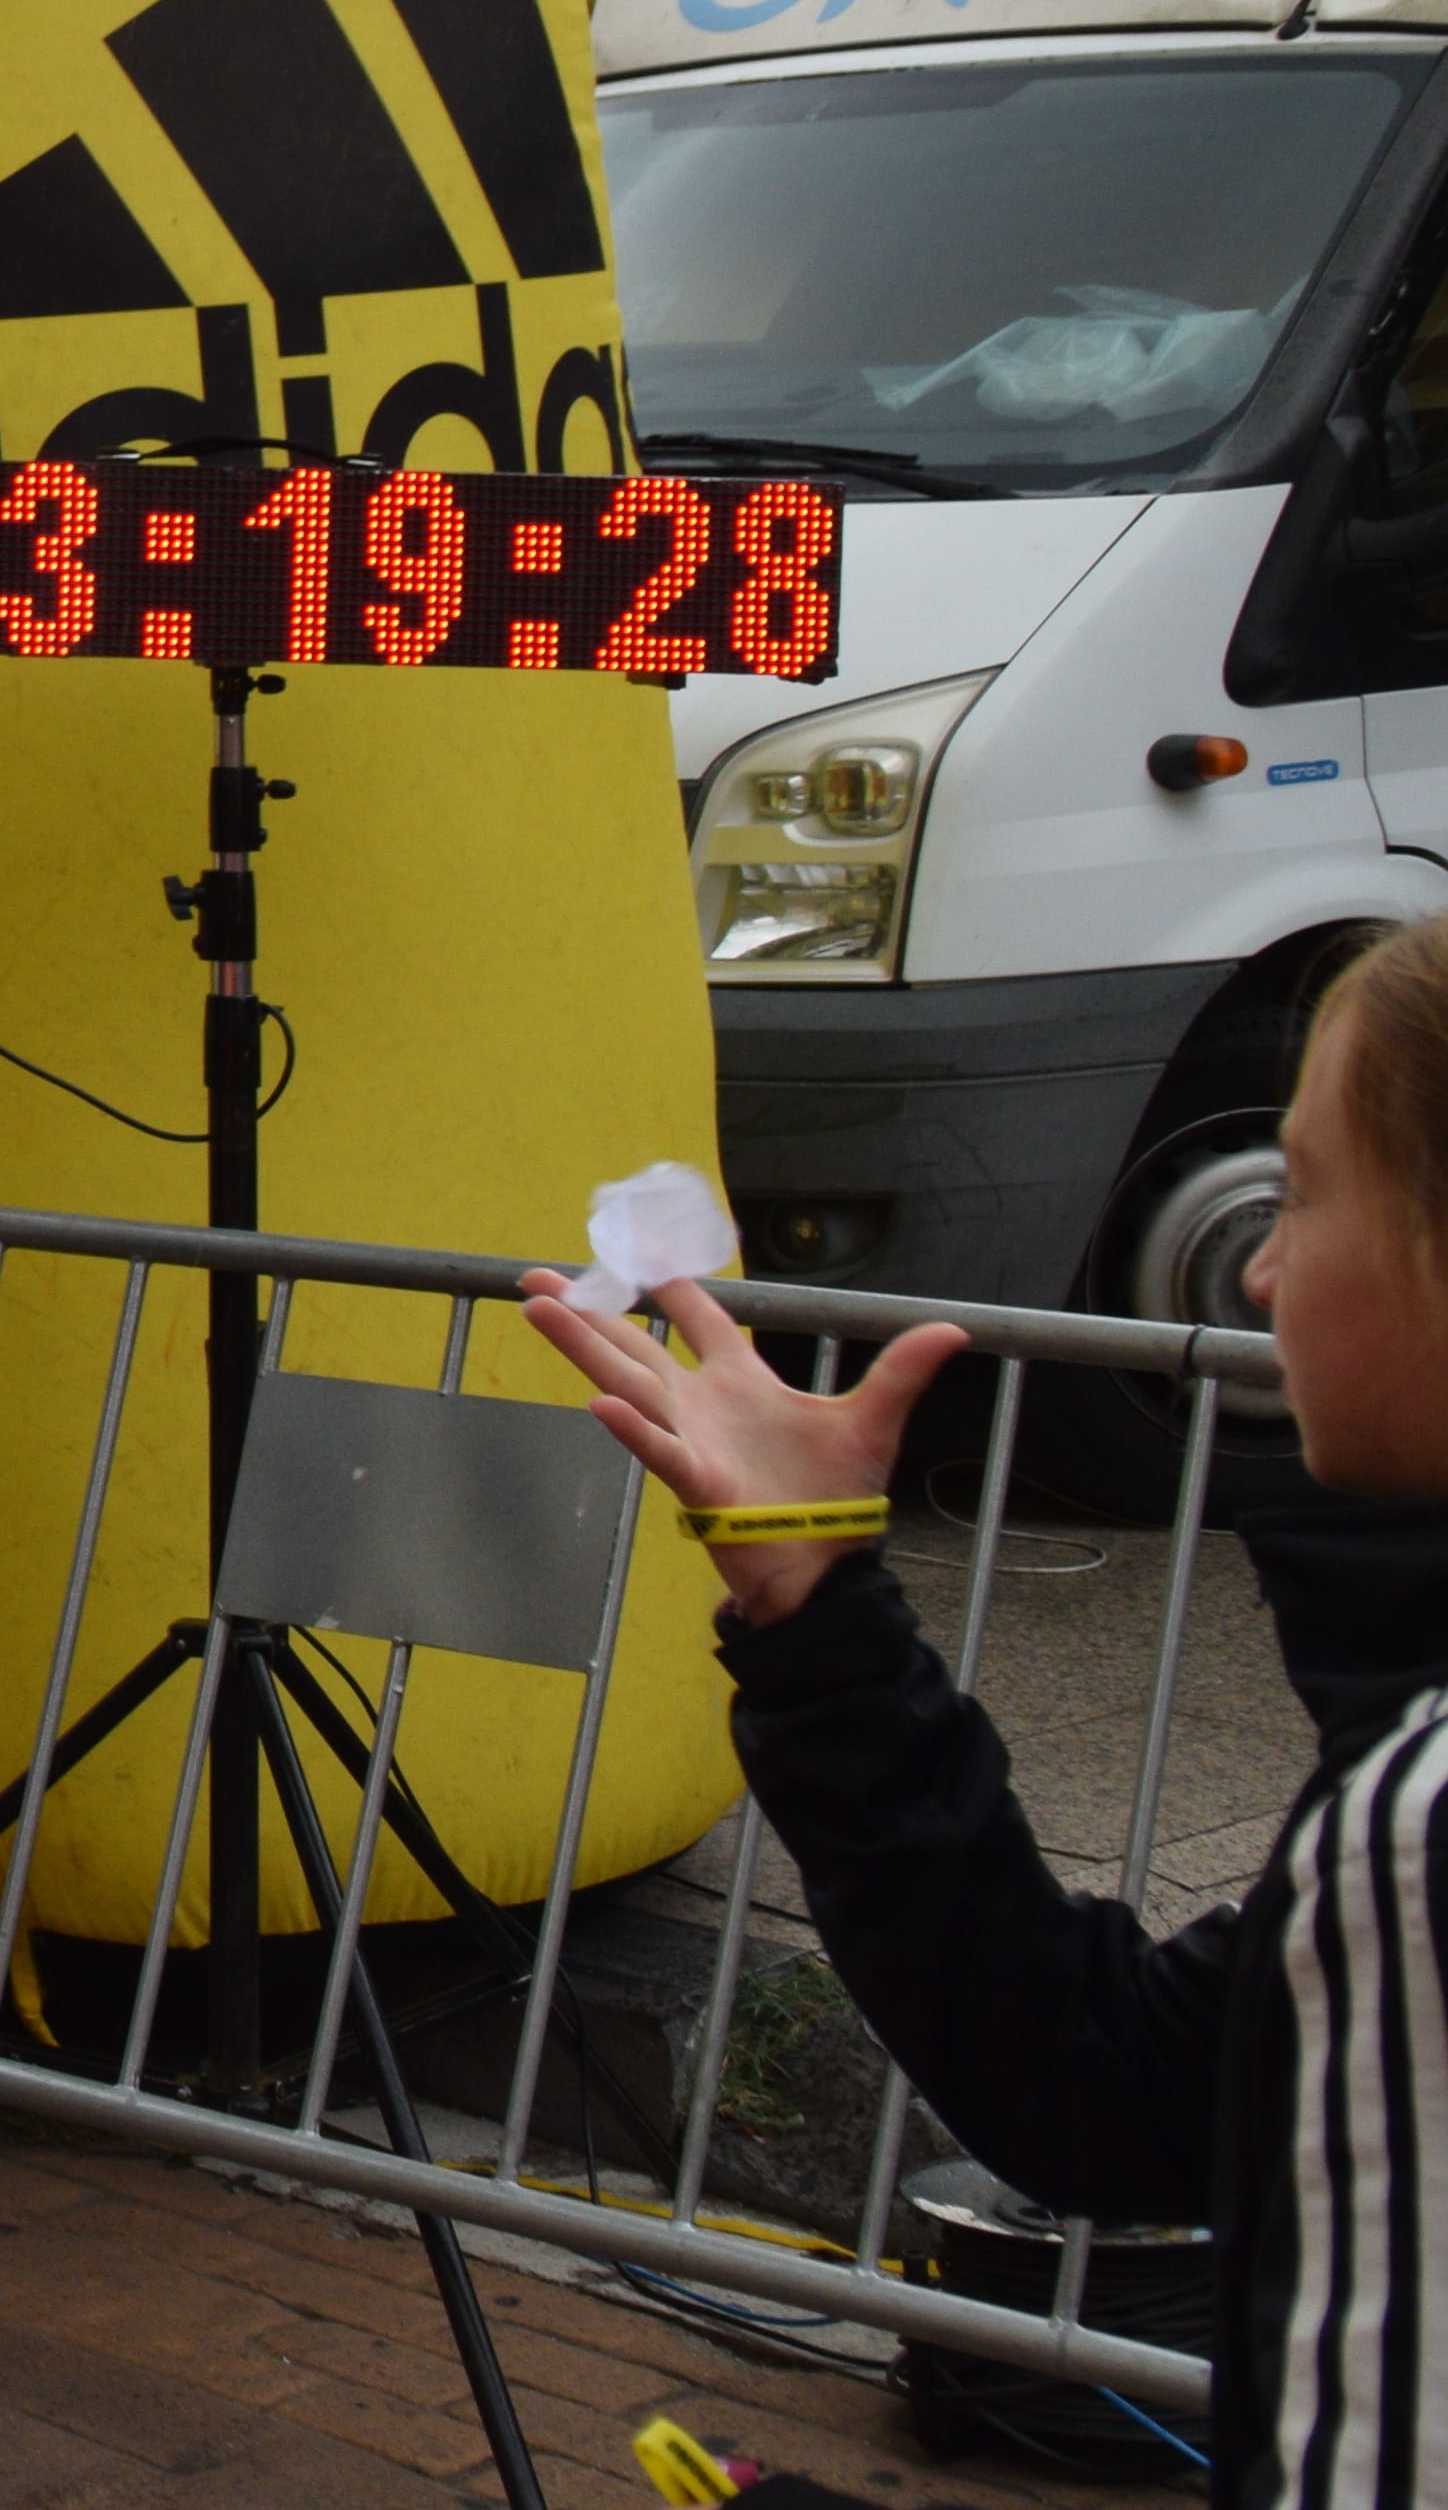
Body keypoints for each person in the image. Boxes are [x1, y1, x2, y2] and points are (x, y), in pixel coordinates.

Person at [525, 921, 1448, 2502]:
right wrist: (812, 1608)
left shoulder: (1417, 1825)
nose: (1264, 1265)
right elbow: (1110, 2086)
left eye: (1301, 1191)